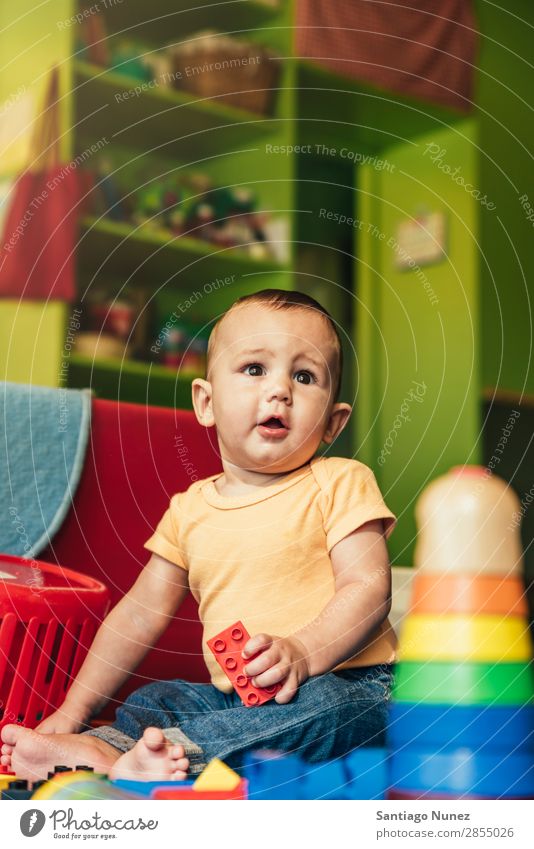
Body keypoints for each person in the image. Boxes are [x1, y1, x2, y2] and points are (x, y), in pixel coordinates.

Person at [1, 289, 396, 782]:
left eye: (304, 376)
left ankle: (173, 756)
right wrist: (72, 709)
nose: (280, 391)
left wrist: (304, 650)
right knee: (159, 697)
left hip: (347, 682)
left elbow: (369, 585)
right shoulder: (189, 511)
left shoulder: (339, 481)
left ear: (333, 423)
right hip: (236, 700)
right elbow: (136, 618)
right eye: (255, 369)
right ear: (205, 403)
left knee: (333, 710)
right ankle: (98, 745)